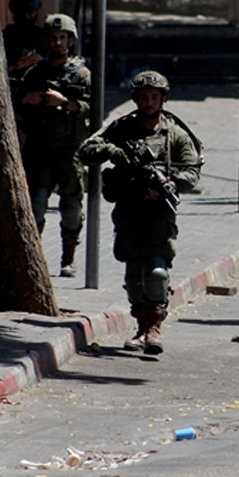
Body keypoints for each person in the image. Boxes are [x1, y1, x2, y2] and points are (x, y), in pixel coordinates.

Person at [78, 71, 202, 355]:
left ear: (163, 99)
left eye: (154, 97)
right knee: (134, 276)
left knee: (157, 272)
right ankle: (142, 327)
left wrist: (169, 182)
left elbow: (192, 173)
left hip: (159, 213)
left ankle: (155, 328)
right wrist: (114, 152)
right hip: (129, 211)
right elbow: (87, 149)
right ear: (135, 99)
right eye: (143, 97)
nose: (149, 102)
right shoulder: (122, 128)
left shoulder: (176, 134)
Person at [13, 14, 91, 277]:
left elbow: (93, 111)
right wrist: (27, 98)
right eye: (53, 37)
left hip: (69, 149)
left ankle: (68, 258)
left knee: (71, 208)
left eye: (62, 37)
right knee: (35, 203)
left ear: (70, 40)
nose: (57, 42)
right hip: (40, 148)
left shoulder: (81, 74)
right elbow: (16, 111)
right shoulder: (35, 73)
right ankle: (33, 257)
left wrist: (65, 103)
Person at [2, 0, 46, 80]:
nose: (27, 17)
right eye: (22, 13)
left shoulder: (44, 36)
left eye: (31, 13)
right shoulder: (6, 37)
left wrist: (44, 63)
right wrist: (12, 66)